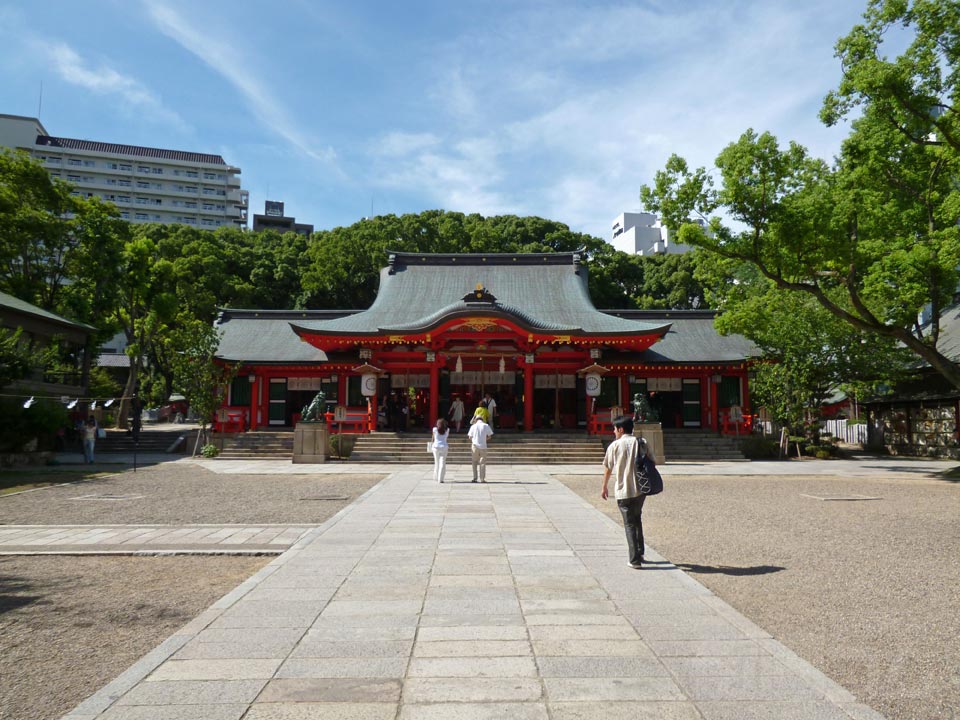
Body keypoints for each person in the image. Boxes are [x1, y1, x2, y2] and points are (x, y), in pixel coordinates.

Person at [601, 415, 651, 569]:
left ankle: (634, 559)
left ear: (621, 429)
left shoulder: (614, 446)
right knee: (637, 519)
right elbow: (653, 461)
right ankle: (640, 552)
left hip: (623, 489)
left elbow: (608, 467)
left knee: (629, 524)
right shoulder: (641, 442)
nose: (614, 432)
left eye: (615, 429)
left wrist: (604, 486)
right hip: (641, 488)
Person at [467, 410, 494, 483]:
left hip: (474, 446)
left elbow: (470, 437)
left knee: (474, 462)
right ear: (482, 419)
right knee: (482, 463)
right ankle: (482, 479)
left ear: (476, 420)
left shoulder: (473, 426)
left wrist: (475, 440)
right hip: (483, 446)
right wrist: (484, 439)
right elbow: (490, 436)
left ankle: (475, 478)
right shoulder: (486, 425)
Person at [432, 418, 450, 484]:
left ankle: (435, 477)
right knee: (442, 463)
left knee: (436, 462)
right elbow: (446, 437)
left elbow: (433, 437)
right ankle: (441, 478)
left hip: (436, 447)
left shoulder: (434, 429)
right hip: (444, 447)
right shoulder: (447, 430)